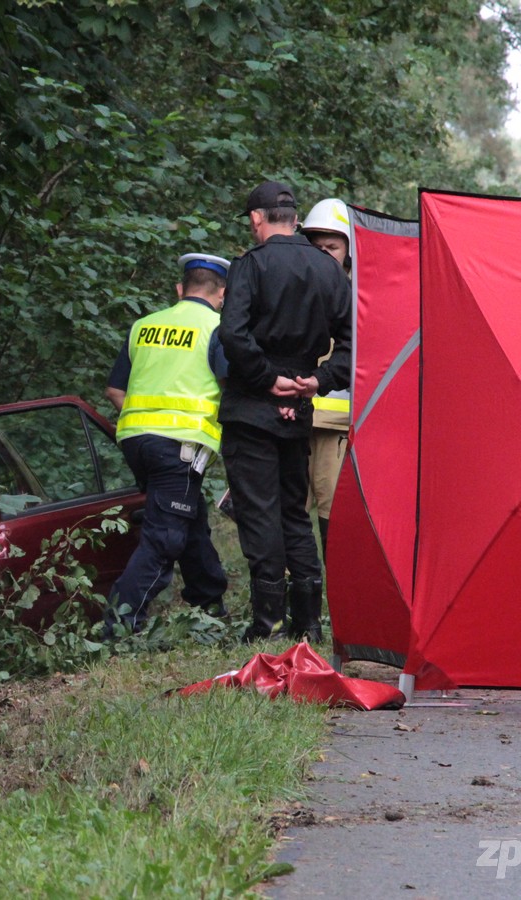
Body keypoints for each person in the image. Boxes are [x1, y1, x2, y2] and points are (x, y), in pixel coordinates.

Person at [218, 181, 352, 643]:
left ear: (257, 219)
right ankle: (310, 623)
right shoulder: (331, 272)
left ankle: (268, 624)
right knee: (295, 513)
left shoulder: (250, 266)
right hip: (301, 401)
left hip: (252, 407)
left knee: (259, 513)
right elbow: (356, 345)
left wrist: (264, 377)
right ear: (294, 219)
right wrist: (319, 380)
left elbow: (233, 335)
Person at [102, 252, 231, 635]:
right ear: (222, 293)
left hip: (135, 442)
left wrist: (148, 422)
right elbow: (230, 387)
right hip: (181, 446)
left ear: (180, 289)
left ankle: (208, 602)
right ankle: (121, 624)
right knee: (165, 537)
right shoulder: (218, 328)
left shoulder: (144, 325)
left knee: (187, 516)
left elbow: (114, 390)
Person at [299, 198, 354, 553]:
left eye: (331, 247)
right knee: (289, 512)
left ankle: (337, 594)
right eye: (316, 246)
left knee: (334, 510)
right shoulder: (294, 285)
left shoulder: (363, 295)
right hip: (296, 417)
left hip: (339, 427)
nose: (323, 254)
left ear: (349, 251)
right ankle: (292, 596)